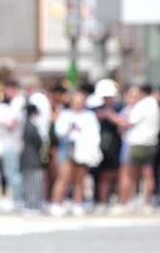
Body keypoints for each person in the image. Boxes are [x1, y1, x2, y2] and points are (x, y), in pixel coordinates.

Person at [108, 84, 160, 214]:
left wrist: (111, 116)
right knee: (147, 174)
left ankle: (124, 203)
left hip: (136, 144)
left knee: (127, 174)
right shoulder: (154, 104)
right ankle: (146, 203)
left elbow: (127, 123)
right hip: (151, 143)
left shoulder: (143, 105)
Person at [50, 89, 101, 217]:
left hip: (83, 149)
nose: (78, 103)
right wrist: (70, 128)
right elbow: (60, 132)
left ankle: (77, 203)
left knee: (80, 178)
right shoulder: (65, 114)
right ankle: (57, 203)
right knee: (64, 177)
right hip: (67, 147)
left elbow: (93, 133)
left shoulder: (89, 116)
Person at [92, 79, 122, 214]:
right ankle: (99, 200)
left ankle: (109, 199)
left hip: (113, 146)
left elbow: (123, 122)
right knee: (99, 175)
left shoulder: (119, 107)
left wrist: (112, 116)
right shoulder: (93, 108)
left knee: (112, 174)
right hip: (97, 146)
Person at [2, 80, 26, 210]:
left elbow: (13, 123)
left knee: (13, 172)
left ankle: (18, 198)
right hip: (15, 142)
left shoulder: (17, 102)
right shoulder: (18, 102)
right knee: (14, 171)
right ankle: (17, 198)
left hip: (13, 142)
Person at [21, 104, 45, 212]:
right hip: (33, 158)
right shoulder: (31, 126)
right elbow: (39, 142)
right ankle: (32, 205)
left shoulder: (25, 125)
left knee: (29, 182)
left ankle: (30, 204)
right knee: (33, 182)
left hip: (26, 158)